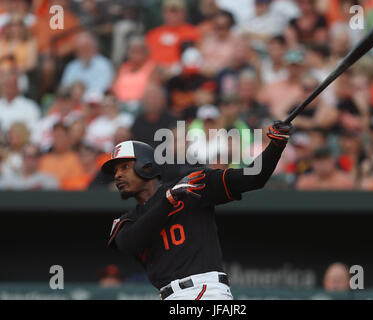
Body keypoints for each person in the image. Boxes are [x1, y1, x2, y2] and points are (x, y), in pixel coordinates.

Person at [103, 120, 293, 300]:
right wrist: (168, 200)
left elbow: (252, 177)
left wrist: (275, 146)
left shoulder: (190, 184)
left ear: (146, 166)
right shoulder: (127, 222)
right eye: (115, 171)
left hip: (203, 290)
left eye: (125, 167)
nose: (118, 175)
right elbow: (130, 242)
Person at [145, 0, 200, 71]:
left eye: (176, 11)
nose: (173, 15)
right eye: (170, 11)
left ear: (184, 13)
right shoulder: (152, 34)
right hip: (155, 72)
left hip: (181, 72)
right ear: (163, 13)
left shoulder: (193, 32)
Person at [60, 32, 114, 96]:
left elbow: (103, 89)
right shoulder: (71, 66)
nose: (83, 52)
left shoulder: (104, 65)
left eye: (86, 48)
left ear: (94, 48)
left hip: (95, 102)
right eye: (79, 49)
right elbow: (65, 87)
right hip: (72, 102)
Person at [0, 69, 40, 135]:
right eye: (6, 84)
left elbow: (34, 133)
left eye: (12, 84)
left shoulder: (30, 107)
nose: (9, 87)